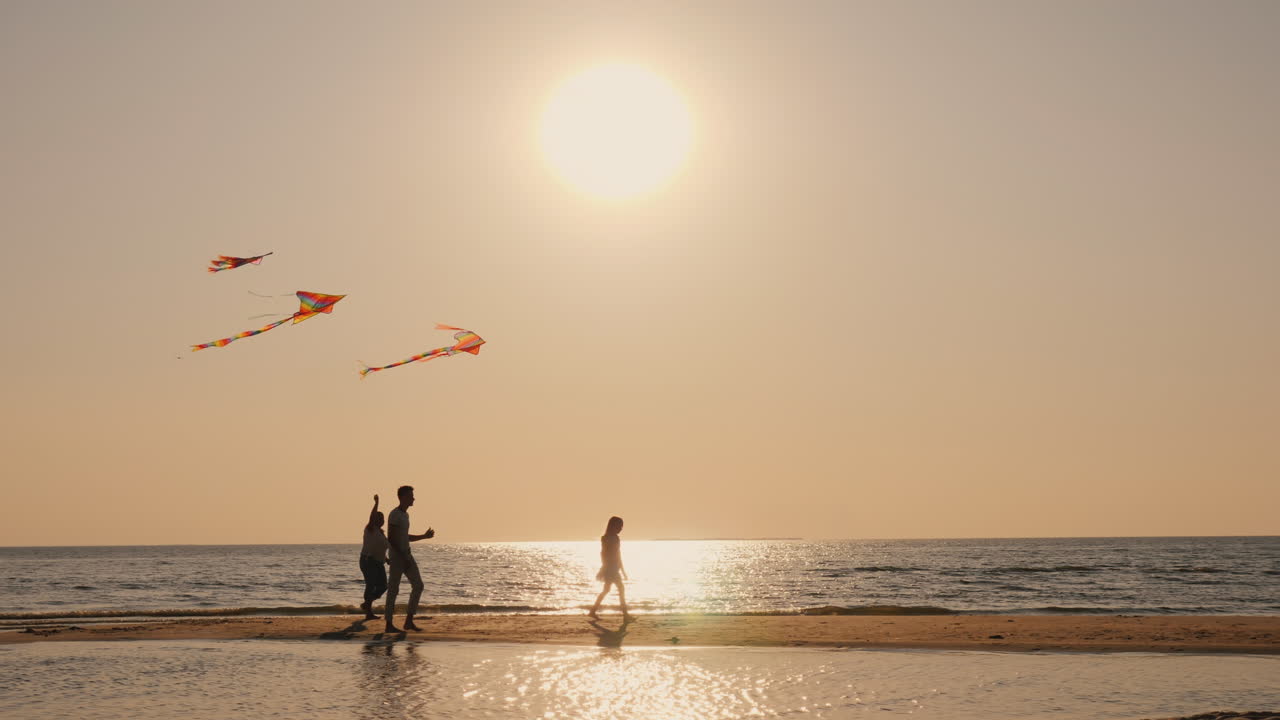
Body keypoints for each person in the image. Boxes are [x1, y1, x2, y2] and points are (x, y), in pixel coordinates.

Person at [385, 485, 434, 632]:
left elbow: (405, 537)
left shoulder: (405, 516)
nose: (413, 498)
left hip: (407, 555)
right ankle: (388, 624)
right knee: (393, 590)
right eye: (410, 496)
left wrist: (424, 536)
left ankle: (409, 621)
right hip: (397, 557)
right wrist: (401, 556)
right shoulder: (394, 514)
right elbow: (392, 539)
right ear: (402, 497)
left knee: (418, 585)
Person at [588, 516, 629, 619]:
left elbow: (617, 555)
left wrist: (622, 570)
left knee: (607, 590)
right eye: (619, 526)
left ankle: (593, 610)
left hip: (612, 568)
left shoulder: (608, 537)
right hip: (611, 569)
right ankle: (625, 615)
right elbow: (605, 554)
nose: (621, 528)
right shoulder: (611, 538)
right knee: (620, 588)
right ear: (613, 526)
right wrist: (606, 567)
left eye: (622, 526)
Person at [359, 494, 389, 620]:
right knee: (370, 585)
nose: (382, 520)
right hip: (368, 560)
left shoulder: (381, 533)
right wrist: (377, 503)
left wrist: (387, 559)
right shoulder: (370, 528)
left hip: (378, 562)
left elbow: (380, 548)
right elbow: (371, 517)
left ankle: (367, 604)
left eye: (383, 518)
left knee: (383, 586)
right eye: (379, 517)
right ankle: (368, 612)